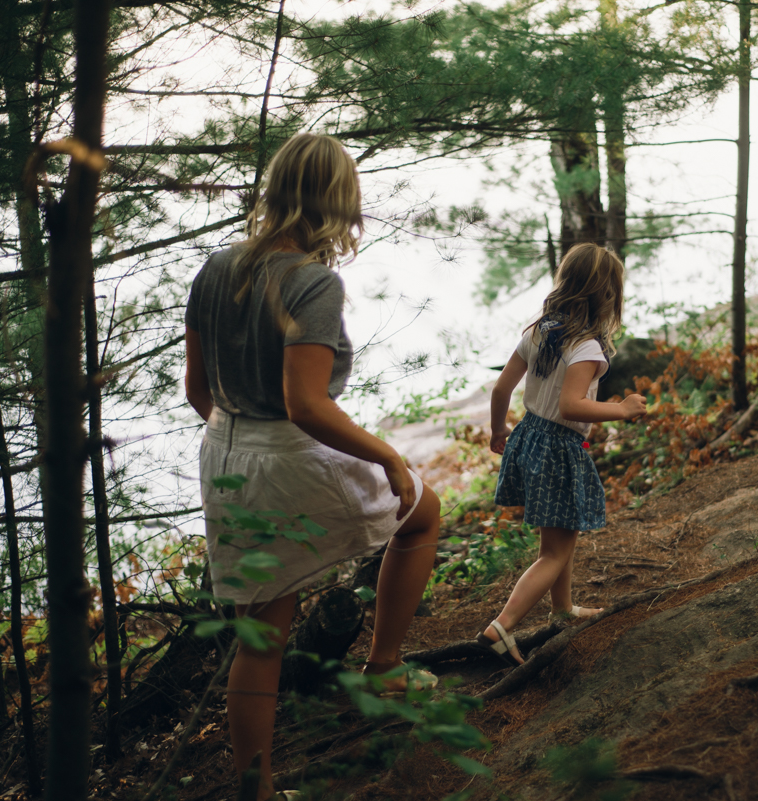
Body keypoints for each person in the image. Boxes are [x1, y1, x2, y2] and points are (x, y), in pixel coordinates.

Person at [184, 133, 441, 801]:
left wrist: (236, 442)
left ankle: (257, 792)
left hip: (223, 448)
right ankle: (383, 667)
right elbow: (305, 404)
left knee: (261, 631)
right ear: (337, 202)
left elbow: (197, 390)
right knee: (422, 512)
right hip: (284, 450)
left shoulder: (215, 266)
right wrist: (386, 454)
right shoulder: (312, 282)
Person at [478, 243, 647, 666]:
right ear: (607, 295)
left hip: (530, 435)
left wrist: (499, 429)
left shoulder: (538, 330)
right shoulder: (586, 347)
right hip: (558, 445)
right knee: (555, 550)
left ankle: (562, 609)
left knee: (560, 534)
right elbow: (573, 406)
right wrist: (621, 410)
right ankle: (502, 626)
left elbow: (501, 389)